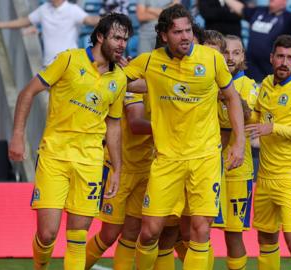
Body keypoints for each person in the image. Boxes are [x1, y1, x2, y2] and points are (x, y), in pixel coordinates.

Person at [123, 4, 245, 270]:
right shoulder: (149, 61)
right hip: (167, 159)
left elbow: (232, 97)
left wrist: (239, 142)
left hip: (205, 158)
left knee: (200, 231)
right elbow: (119, 81)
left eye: (188, 30)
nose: (185, 36)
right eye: (177, 32)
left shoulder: (211, 59)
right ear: (164, 35)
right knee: (150, 231)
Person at [7, 13, 132, 270]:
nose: (122, 44)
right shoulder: (68, 59)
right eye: (117, 37)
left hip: (90, 162)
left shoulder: (119, 78)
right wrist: (18, 136)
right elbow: (28, 92)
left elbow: (114, 123)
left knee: (77, 237)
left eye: (126, 39)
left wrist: (117, 168)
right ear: (100, 36)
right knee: (48, 233)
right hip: (55, 155)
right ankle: (40, 266)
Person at [246, 35, 291, 270]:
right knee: (265, 240)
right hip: (265, 179)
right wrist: (240, 107)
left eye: (290, 58)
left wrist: (273, 128)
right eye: (280, 56)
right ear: (271, 58)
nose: (284, 62)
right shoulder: (265, 84)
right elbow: (255, 119)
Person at [84, 92, 154, 270]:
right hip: (120, 168)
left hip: (146, 168)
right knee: (109, 234)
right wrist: (172, 126)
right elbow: (135, 124)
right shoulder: (134, 80)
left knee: (131, 232)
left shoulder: (165, 79)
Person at [219, 34, 259, 270]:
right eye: (226, 52)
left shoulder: (250, 85)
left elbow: (246, 116)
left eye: (236, 53)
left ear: (243, 56)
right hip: (206, 166)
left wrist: (228, 93)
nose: (230, 58)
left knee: (233, 235)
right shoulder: (207, 80)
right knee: (196, 230)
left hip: (238, 171)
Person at [0, 0, 99, 65]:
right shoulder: (44, 9)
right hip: (49, 65)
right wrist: (0, 25)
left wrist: (112, 20)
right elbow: (24, 21)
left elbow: (90, 20)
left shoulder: (72, 10)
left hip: (69, 65)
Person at [224, 0, 291, 82]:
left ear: (284, 2)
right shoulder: (259, 11)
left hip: (269, 69)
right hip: (251, 67)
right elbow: (240, 9)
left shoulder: (287, 17)